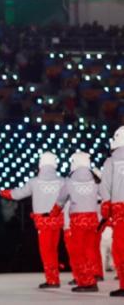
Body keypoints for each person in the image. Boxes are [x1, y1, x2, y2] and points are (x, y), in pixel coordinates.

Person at [0, 152, 64, 288]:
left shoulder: (34, 182)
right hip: (57, 220)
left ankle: (52, 280)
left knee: (46, 251)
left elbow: (19, 194)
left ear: (41, 164)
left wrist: (6, 193)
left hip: (43, 221)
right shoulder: (62, 181)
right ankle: (54, 278)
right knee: (53, 250)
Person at [52, 150, 99, 293]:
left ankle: (86, 282)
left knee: (77, 252)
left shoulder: (70, 181)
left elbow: (60, 200)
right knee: (90, 250)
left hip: (78, 219)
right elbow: (105, 195)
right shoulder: (96, 180)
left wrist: (53, 212)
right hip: (93, 218)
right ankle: (91, 278)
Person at [99, 126, 124, 296]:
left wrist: (106, 206)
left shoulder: (111, 161)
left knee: (121, 247)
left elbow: (105, 186)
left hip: (120, 209)